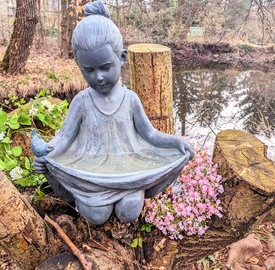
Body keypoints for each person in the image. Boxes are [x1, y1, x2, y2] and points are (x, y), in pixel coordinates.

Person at [33, 0, 194, 225]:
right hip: (91, 172)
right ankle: (89, 202)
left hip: (129, 170)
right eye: (88, 70)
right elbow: (64, 137)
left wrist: (175, 142)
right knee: (96, 217)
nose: (98, 77)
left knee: (129, 212)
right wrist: (47, 153)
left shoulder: (130, 99)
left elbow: (151, 134)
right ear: (79, 66)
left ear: (122, 58)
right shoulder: (81, 101)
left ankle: (124, 198)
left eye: (105, 67)